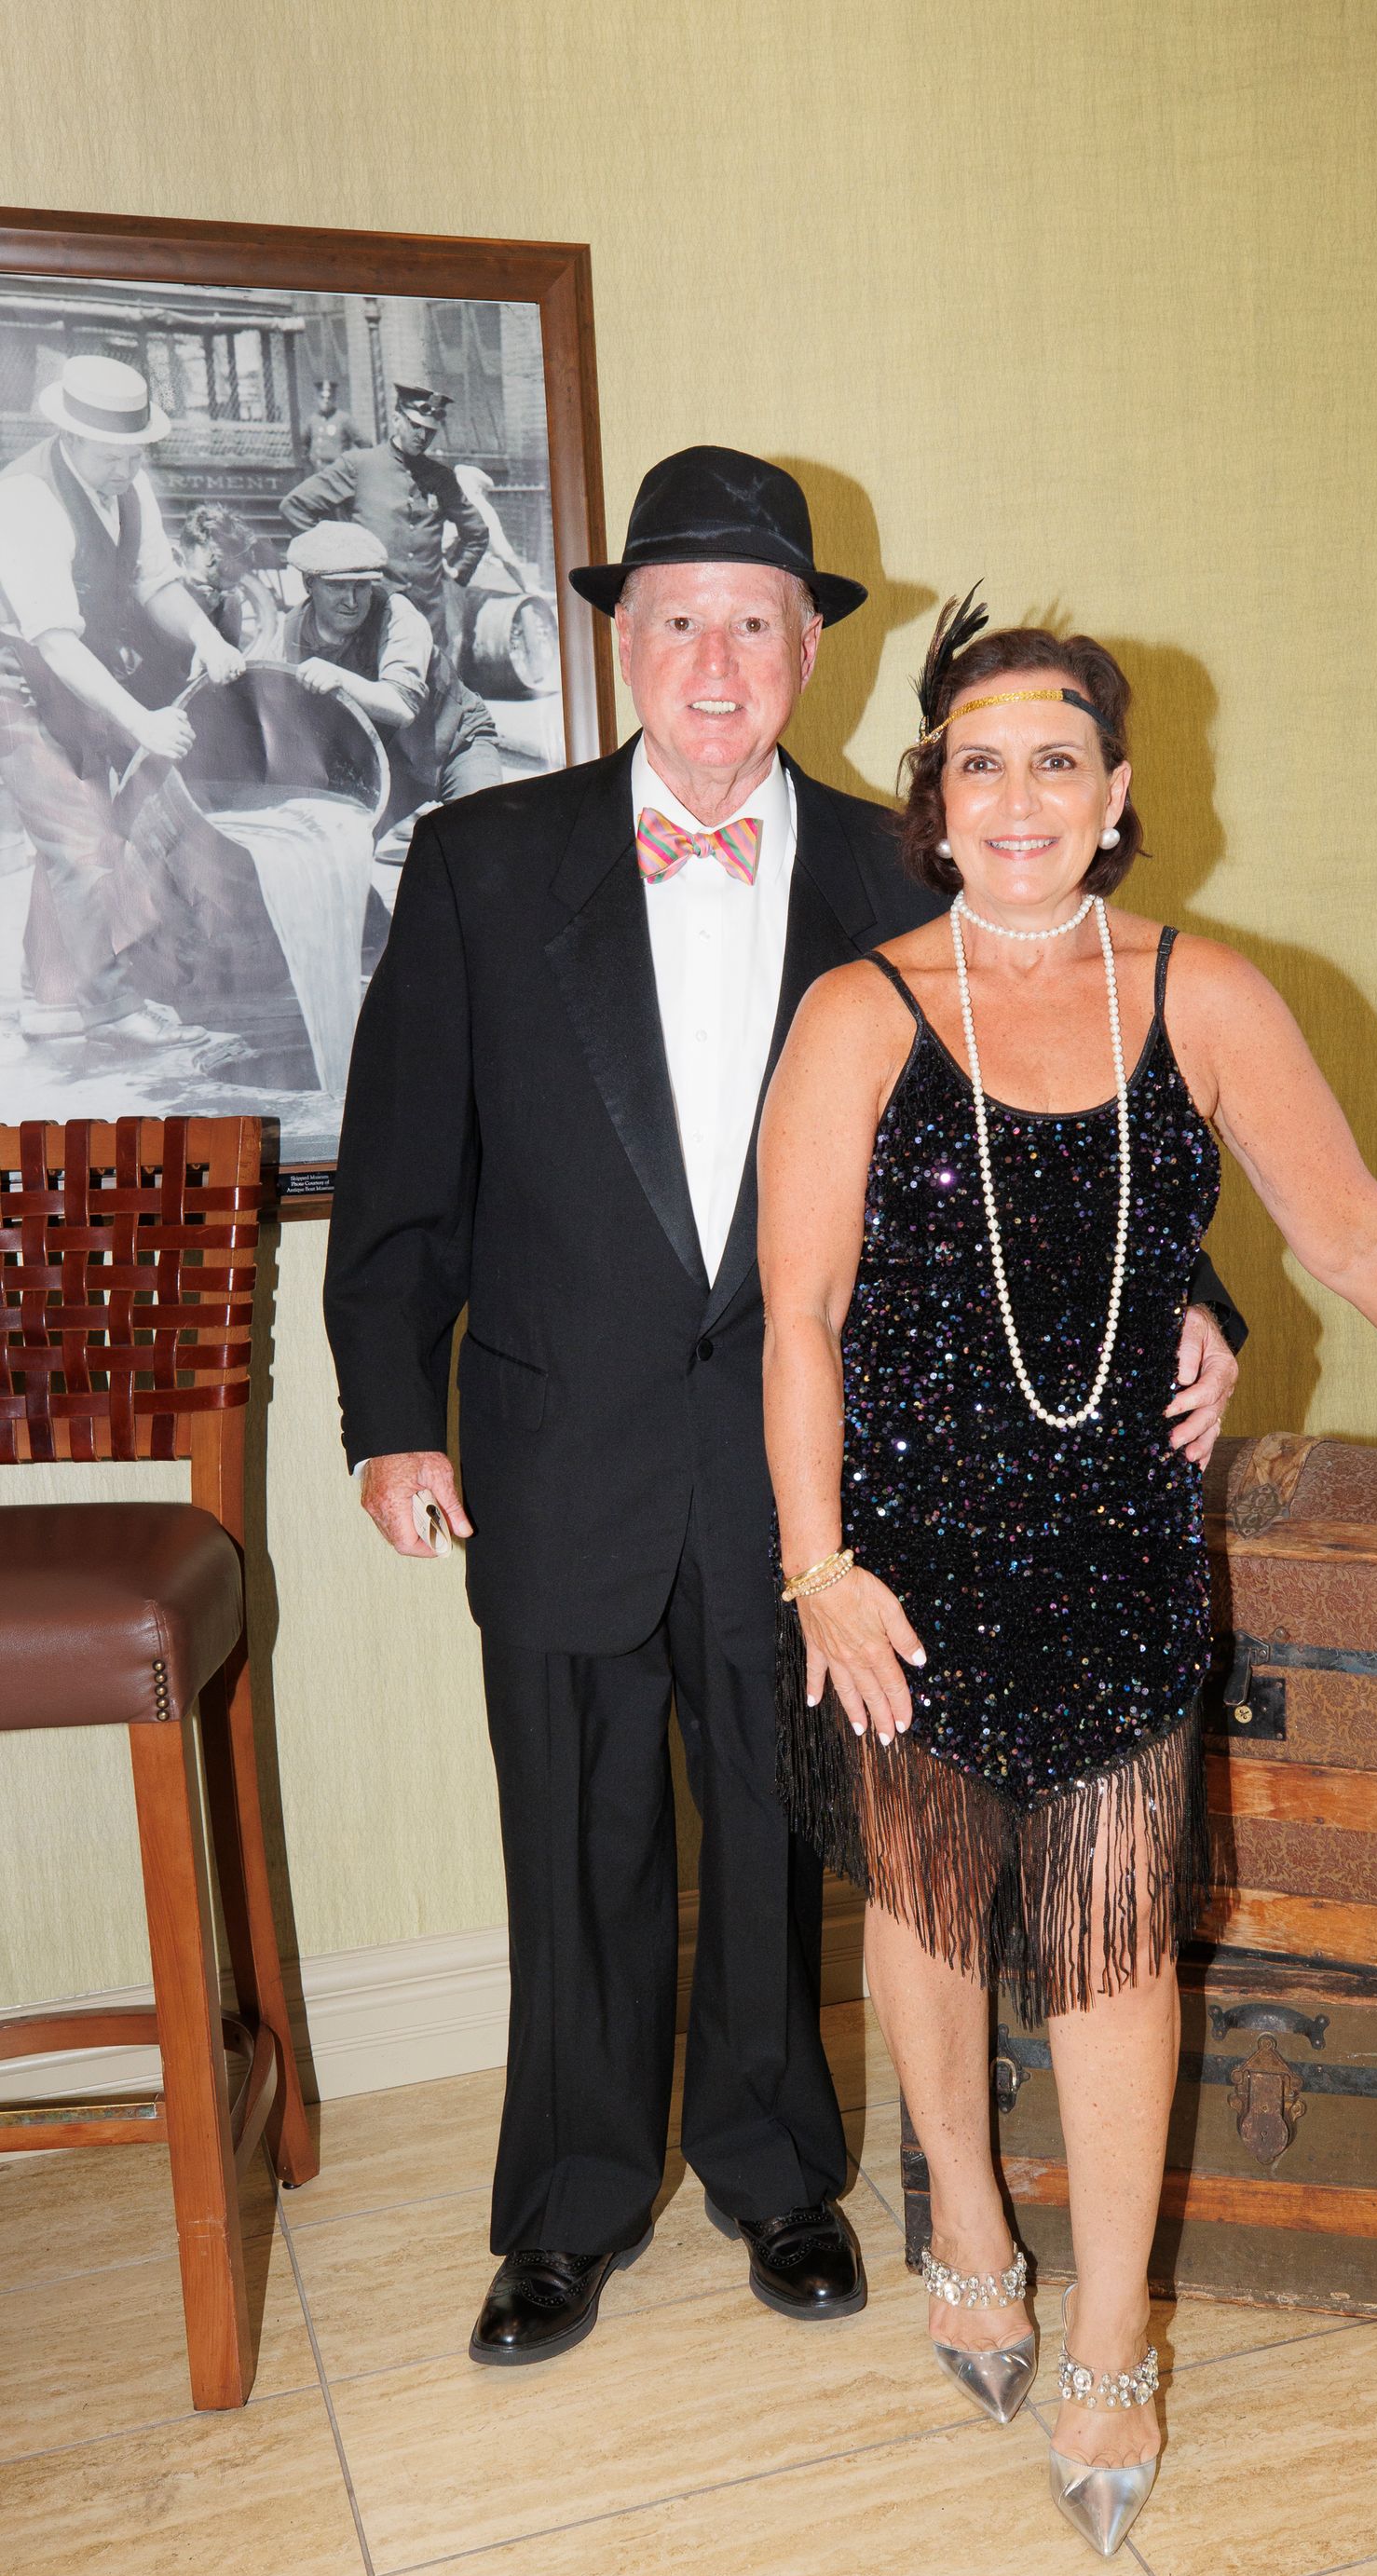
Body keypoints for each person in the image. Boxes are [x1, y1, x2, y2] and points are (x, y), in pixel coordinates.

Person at [322, 451, 1248, 2372]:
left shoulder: (896, 871)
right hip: (559, 1445)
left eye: (757, 618)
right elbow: (409, 1165)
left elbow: (1070, 1126)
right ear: (621, 642)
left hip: (822, 1472)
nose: (717, 657)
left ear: (813, 648)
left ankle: (777, 2178)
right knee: (576, 1843)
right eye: (678, 618)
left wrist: (1203, 1304)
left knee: (777, 1834)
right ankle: (564, 2214)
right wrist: (389, 1414)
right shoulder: (486, 862)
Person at [758, 602, 1377, 2555]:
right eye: (981, 759)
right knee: (928, 1899)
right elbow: (796, 1316)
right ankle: (969, 2224)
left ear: (1118, 795)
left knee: (1118, 1935)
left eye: (1059, 757)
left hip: (1118, 1545)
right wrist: (814, 1563)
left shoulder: (1204, 995)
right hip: (898, 1551)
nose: (1022, 793)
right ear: (935, 804)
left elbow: (1359, 1225)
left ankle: (1119, 2333)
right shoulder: (858, 1010)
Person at [0, 353, 245, 1052]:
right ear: (71, 438)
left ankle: (51, 1000)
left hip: (68, 675)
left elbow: (155, 581)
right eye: (112, 458)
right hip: (13, 676)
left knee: (78, 833)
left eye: (136, 457)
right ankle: (110, 1011)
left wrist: (205, 634)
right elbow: (53, 637)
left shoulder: (131, 487)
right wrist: (138, 718)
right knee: (82, 837)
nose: (126, 472)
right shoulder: (26, 499)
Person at [279, 520, 501, 820]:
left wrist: (338, 678)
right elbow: (268, 700)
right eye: (336, 587)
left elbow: (401, 708)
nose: (351, 601)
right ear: (309, 584)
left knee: (488, 828)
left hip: (456, 743)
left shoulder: (397, 614)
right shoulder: (291, 629)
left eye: (361, 587)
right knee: (346, 838)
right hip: (390, 760)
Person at [280, 384, 488, 645]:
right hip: (370, 616)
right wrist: (334, 562)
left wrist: (458, 572)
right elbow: (295, 507)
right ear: (396, 419)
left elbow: (477, 533)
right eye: (415, 426)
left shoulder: (442, 478)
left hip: (427, 616)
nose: (422, 436)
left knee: (432, 681)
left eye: (430, 431)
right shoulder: (360, 465)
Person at [301, 377, 364, 471]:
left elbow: (364, 442)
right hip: (316, 473)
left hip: (337, 473)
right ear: (317, 399)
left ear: (334, 399)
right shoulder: (312, 420)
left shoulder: (344, 419)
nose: (326, 401)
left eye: (329, 398)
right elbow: (303, 444)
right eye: (322, 397)